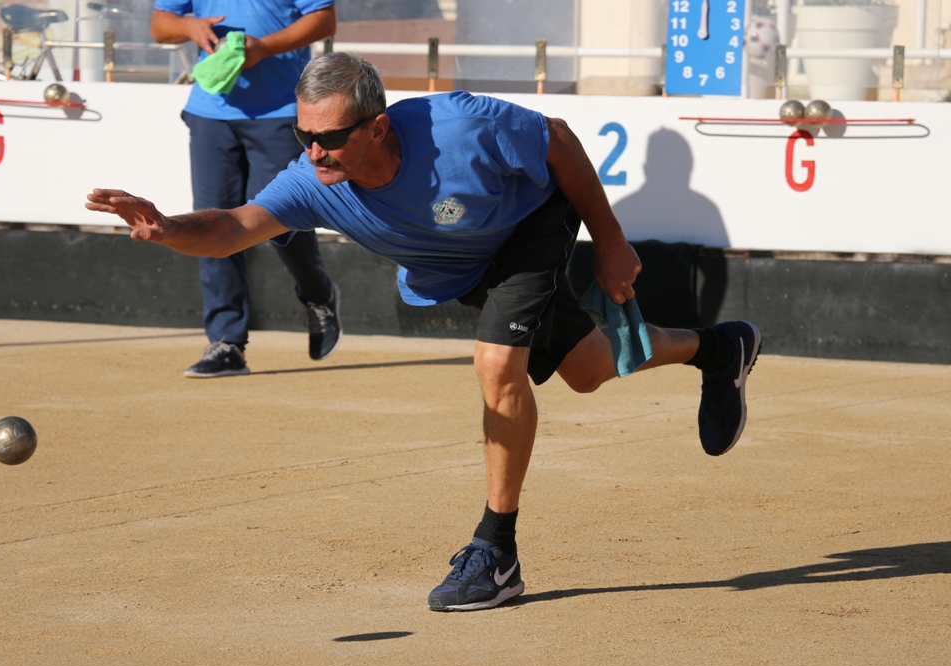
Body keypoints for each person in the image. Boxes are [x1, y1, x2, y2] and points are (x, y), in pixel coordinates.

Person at [85, 52, 762, 612]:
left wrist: (610, 240)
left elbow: (556, 138)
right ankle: (717, 348)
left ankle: (496, 551)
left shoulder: (461, 126)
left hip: (530, 223)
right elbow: (234, 226)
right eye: (304, 136)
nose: (314, 151)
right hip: (465, 267)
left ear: (377, 129)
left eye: (330, 138)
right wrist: (166, 227)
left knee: (498, 366)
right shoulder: (314, 181)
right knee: (587, 370)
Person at [150, 0, 342, 377]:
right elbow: (159, 25)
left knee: (282, 221)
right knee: (209, 222)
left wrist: (264, 47)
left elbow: (324, 20)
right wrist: (191, 28)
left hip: (281, 111)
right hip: (210, 111)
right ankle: (227, 343)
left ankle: (319, 295)